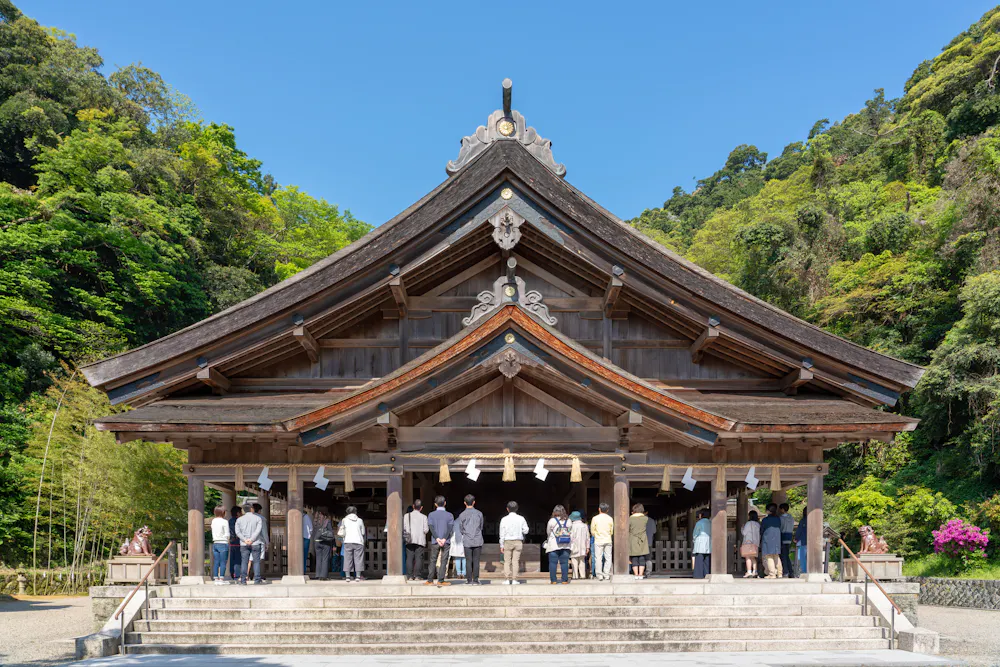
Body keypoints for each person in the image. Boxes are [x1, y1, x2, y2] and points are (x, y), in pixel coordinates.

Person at [426, 495, 454, 586]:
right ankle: (441, 580)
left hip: (435, 541)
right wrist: (444, 538)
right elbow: (450, 528)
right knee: (444, 560)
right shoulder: (450, 515)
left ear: (435, 504)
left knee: (433, 560)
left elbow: (431, 527)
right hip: (446, 541)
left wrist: (437, 538)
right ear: (445, 503)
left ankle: (430, 580)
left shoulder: (431, 515)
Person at [457, 494, 485, 585]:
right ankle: (476, 580)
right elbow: (481, 527)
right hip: (477, 539)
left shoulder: (461, 515)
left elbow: (461, 529)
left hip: (467, 540)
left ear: (464, 503)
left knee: (468, 560)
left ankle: (469, 580)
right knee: (476, 560)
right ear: (474, 502)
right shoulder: (479, 513)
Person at [498, 501, 528, 584]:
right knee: (515, 561)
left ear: (507, 509)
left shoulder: (504, 519)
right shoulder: (521, 518)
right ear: (517, 509)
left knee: (507, 561)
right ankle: (514, 579)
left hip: (507, 541)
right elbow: (526, 530)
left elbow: (502, 533)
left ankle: (507, 579)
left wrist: (501, 545)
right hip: (518, 541)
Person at [234, 502, 264, 585]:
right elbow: (258, 530)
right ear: (251, 509)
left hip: (244, 543)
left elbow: (237, 531)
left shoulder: (239, 519)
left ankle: (243, 580)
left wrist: (244, 539)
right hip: (255, 542)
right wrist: (252, 539)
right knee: (256, 561)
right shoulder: (258, 518)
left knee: (244, 561)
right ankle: (257, 579)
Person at [545, 504, 572, 584]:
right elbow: (571, 531)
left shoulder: (551, 521)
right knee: (564, 563)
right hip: (566, 545)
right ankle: (564, 580)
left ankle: (553, 580)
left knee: (553, 563)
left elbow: (548, 532)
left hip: (554, 545)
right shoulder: (569, 521)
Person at [338, 505, 366, 582]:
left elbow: (342, 530)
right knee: (358, 559)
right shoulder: (360, 520)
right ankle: (358, 576)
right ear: (356, 512)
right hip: (358, 541)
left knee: (347, 559)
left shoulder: (344, 520)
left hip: (348, 541)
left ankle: (347, 577)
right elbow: (363, 532)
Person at [403, 499, 428, 582]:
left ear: (413, 506)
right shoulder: (424, 517)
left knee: (409, 557)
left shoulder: (406, 516)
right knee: (418, 558)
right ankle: (417, 576)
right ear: (421, 508)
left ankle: (409, 576)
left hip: (409, 539)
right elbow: (426, 530)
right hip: (420, 540)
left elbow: (404, 528)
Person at [590, 502, 614, 581]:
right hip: (608, 539)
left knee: (598, 558)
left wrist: (596, 535)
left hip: (598, 540)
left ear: (599, 509)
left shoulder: (595, 518)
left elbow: (592, 531)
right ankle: (606, 574)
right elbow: (611, 531)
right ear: (607, 510)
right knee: (608, 557)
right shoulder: (610, 518)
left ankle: (599, 575)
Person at [760, 503, 783, 578]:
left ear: (768, 511)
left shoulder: (765, 520)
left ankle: (772, 574)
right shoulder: (778, 519)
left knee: (769, 556)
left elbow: (762, 530)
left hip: (767, 539)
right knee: (776, 556)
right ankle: (780, 573)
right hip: (777, 538)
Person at [629, 503, 649, 580]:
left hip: (633, 539)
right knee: (642, 558)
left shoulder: (630, 519)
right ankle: (641, 574)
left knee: (634, 558)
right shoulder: (645, 518)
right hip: (642, 540)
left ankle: (636, 574)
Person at [210, 506, 230, 585]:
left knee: (216, 561)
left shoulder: (213, 521)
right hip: (223, 542)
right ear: (223, 512)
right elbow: (227, 533)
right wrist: (228, 541)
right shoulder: (224, 521)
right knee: (223, 562)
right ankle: (221, 578)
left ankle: (216, 578)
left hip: (215, 542)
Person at [313, 511, 335, 580]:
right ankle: (323, 576)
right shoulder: (326, 521)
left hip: (317, 542)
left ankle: (318, 574)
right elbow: (331, 532)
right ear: (325, 515)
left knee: (318, 558)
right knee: (325, 558)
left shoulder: (315, 521)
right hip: (325, 542)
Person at [569, 510, 590, 580]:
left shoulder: (571, 526)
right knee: (582, 561)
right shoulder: (585, 526)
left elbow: (570, 537)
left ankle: (575, 576)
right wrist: (588, 547)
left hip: (573, 546)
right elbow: (588, 538)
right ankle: (583, 575)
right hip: (583, 546)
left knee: (574, 561)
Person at [740, 510, 761, 578]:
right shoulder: (758, 524)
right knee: (753, 557)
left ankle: (749, 571)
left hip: (748, 542)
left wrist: (742, 528)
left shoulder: (748, 524)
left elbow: (744, 533)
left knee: (748, 557)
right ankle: (755, 571)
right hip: (755, 543)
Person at [692, 508, 712, 579]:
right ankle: (707, 574)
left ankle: (698, 575)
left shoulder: (699, 523)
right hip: (709, 542)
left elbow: (695, 533)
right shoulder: (711, 522)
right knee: (707, 559)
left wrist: (694, 539)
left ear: (702, 515)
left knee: (699, 559)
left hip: (700, 542)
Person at [252, 502, 269, 581]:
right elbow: (264, 532)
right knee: (257, 560)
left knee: (248, 560)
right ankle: (257, 576)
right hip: (259, 541)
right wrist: (267, 542)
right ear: (259, 510)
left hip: (247, 542)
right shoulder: (261, 519)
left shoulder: (246, 518)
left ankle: (247, 576)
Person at [779, 503, 794, 578]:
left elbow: (780, 528)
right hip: (789, 537)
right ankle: (791, 571)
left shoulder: (781, 518)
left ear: (782, 509)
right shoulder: (791, 518)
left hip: (783, 537)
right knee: (786, 555)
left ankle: (786, 572)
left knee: (783, 556)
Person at [228, 505, 242, 581]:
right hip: (238, 541)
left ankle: (232, 573)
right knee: (238, 559)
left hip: (231, 542)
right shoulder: (239, 521)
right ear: (238, 513)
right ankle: (237, 575)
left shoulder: (229, 521)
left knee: (232, 559)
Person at [795, 509, 808, 577]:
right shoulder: (814, 520)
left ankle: (804, 571)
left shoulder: (803, 521)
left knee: (803, 558)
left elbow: (799, 531)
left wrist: (796, 538)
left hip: (803, 541)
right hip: (813, 542)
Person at [644, 509, 656, 578]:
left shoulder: (638, 520)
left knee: (640, 557)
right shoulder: (651, 521)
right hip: (649, 541)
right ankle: (648, 572)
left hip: (640, 542)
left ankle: (639, 572)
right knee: (648, 558)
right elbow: (654, 531)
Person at [302, 510, 313, 574]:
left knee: (299, 554)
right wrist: (309, 534)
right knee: (304, 554)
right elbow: (311, 528)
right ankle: (303, 569)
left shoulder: (297, 517)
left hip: (299, 538)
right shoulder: (307, 517)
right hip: (306, 537)